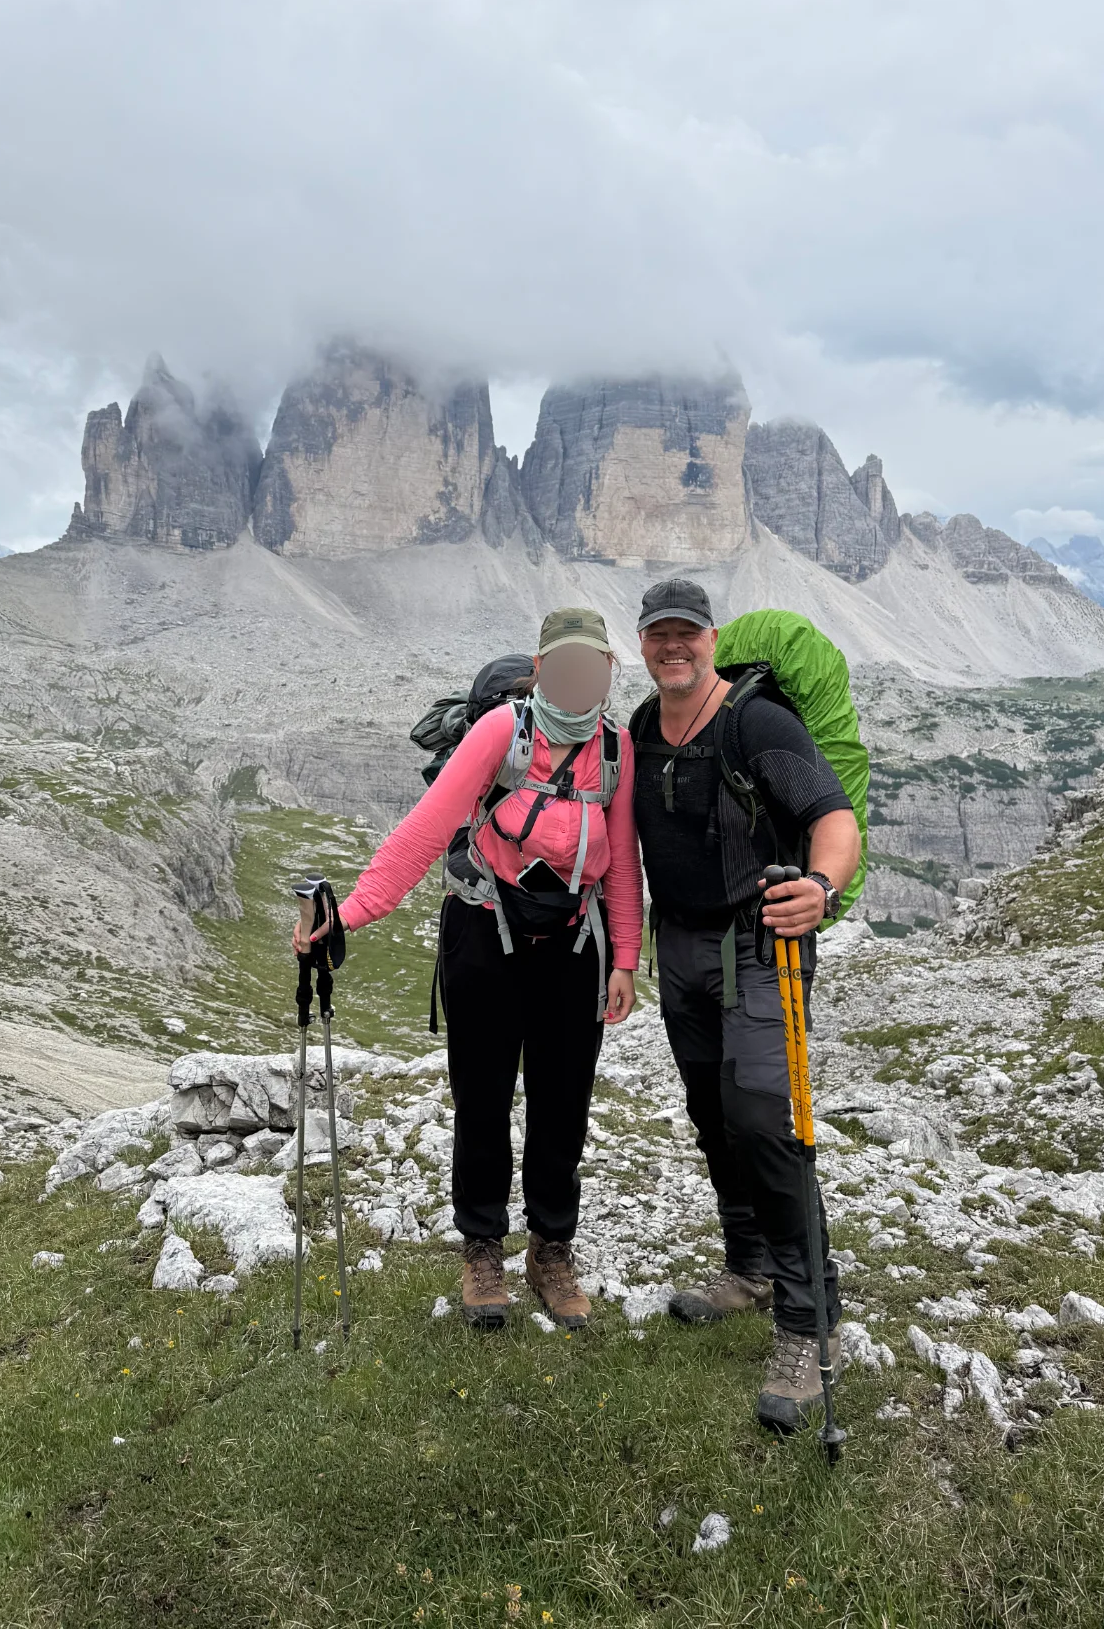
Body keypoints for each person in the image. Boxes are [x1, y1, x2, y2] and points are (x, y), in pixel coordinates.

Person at [297, 606, 641, 1330]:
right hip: (484, 933)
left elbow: (620, 865)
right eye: (566, 665)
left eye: (594, 665)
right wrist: (350, 914)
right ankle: (482, 1250)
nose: (581, 678)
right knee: (482, 1098)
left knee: (563, 1104)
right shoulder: (500, 732)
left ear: (608, 671)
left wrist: (626, 961)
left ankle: (551, 1252)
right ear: (542, 670)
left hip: (575, 946)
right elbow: (424, 831)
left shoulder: (616, 747)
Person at [628, 577, 862, 1431]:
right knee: (713, 1114)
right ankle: (750, 1266)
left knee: (767, 1121)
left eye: (687, 633)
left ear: (713, 641)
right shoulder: (642, 728)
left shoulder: (757, 724)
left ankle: (808, 1319)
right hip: (681, 950)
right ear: (642, 644)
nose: (674, 646)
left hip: (764, 947)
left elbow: (834, 818)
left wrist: (821, 888)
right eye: (660, 634)